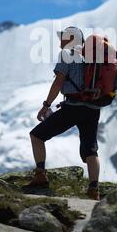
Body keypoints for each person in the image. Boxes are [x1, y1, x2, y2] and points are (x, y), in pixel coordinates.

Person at [29, 26, 101, 200]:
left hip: (73, 106)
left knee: (37, 136)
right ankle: (94, 190)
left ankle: (40, 176)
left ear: (71, 39)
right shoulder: (93, 56)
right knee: (90, 149)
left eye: (63, 38)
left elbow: (58, 82)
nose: (60, 42)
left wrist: (46, 105)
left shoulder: (67, 54)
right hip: (93, 108)